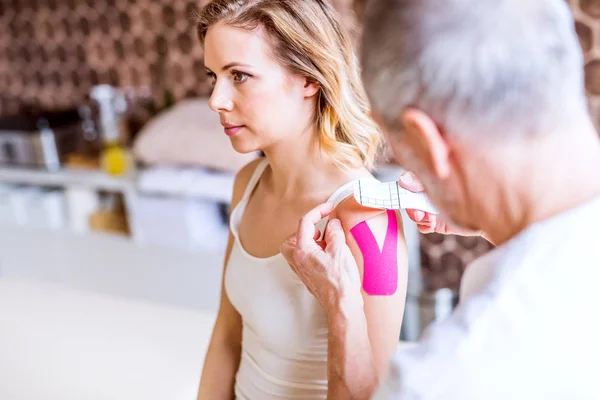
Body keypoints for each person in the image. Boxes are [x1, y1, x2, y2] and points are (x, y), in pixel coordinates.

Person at [282, 0, 600, 398]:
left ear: (426, 141)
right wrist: (492, 223)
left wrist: (342, 303)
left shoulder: (453, 373)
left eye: (400, 151)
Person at [194, 1, 409, 399]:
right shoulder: (248, 184)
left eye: (239, 75)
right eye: (214, 76)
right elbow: (227, 336)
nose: (216, 100)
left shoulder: (368, 221)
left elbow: (373, 392)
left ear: (308, 78)